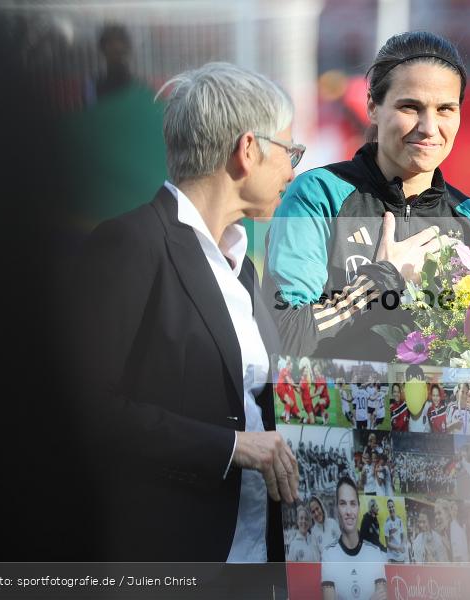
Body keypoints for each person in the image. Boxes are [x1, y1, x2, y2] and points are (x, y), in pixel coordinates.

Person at [69, 62, 301, 561]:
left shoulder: (242, 267)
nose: (292, 169)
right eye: (289, 151)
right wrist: (230, 447)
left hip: (255, 552)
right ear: (248, 149)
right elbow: (84, 408)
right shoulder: (132, 243)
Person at [264, 30, 470, 361]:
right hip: (330, 413)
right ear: (373, 106)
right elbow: (286, 335)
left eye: (446, 109)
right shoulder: (318, 196)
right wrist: (381, 279)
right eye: (410, 106)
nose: (430, 127)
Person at [321, 477, 387, 600]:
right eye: (343, 504)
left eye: (353, 503)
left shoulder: (375, 553)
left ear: (359, 508)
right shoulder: (329, 555)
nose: (348, 511)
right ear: (336, 509)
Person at [384, 498, 407, 563]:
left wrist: (402, 545)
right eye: (389, 507)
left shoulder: (399, 520)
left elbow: (403, 535)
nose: (391, 509)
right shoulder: (387, 523)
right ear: (387, 508)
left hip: (400, 556)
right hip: (392, 557)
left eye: (392, 506)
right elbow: (387, 543)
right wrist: (398, 548)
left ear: (394, 507)